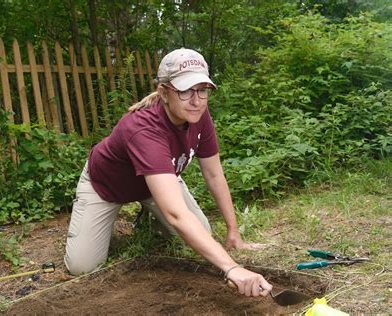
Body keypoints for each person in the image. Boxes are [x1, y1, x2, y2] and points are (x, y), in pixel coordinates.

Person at [64, 48, 273, 297]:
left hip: (159, 181)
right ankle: (109, 221)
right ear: (164, 92)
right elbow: (176, 214)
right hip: (107, 186)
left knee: (202, 233)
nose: (196, 100)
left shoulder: (198, 115)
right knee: (82, 267)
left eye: (202, 90)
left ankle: (150, 218)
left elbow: (214, 175)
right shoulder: (143, 129)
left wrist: (233, 232)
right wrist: (232, 268)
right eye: (185, 90)